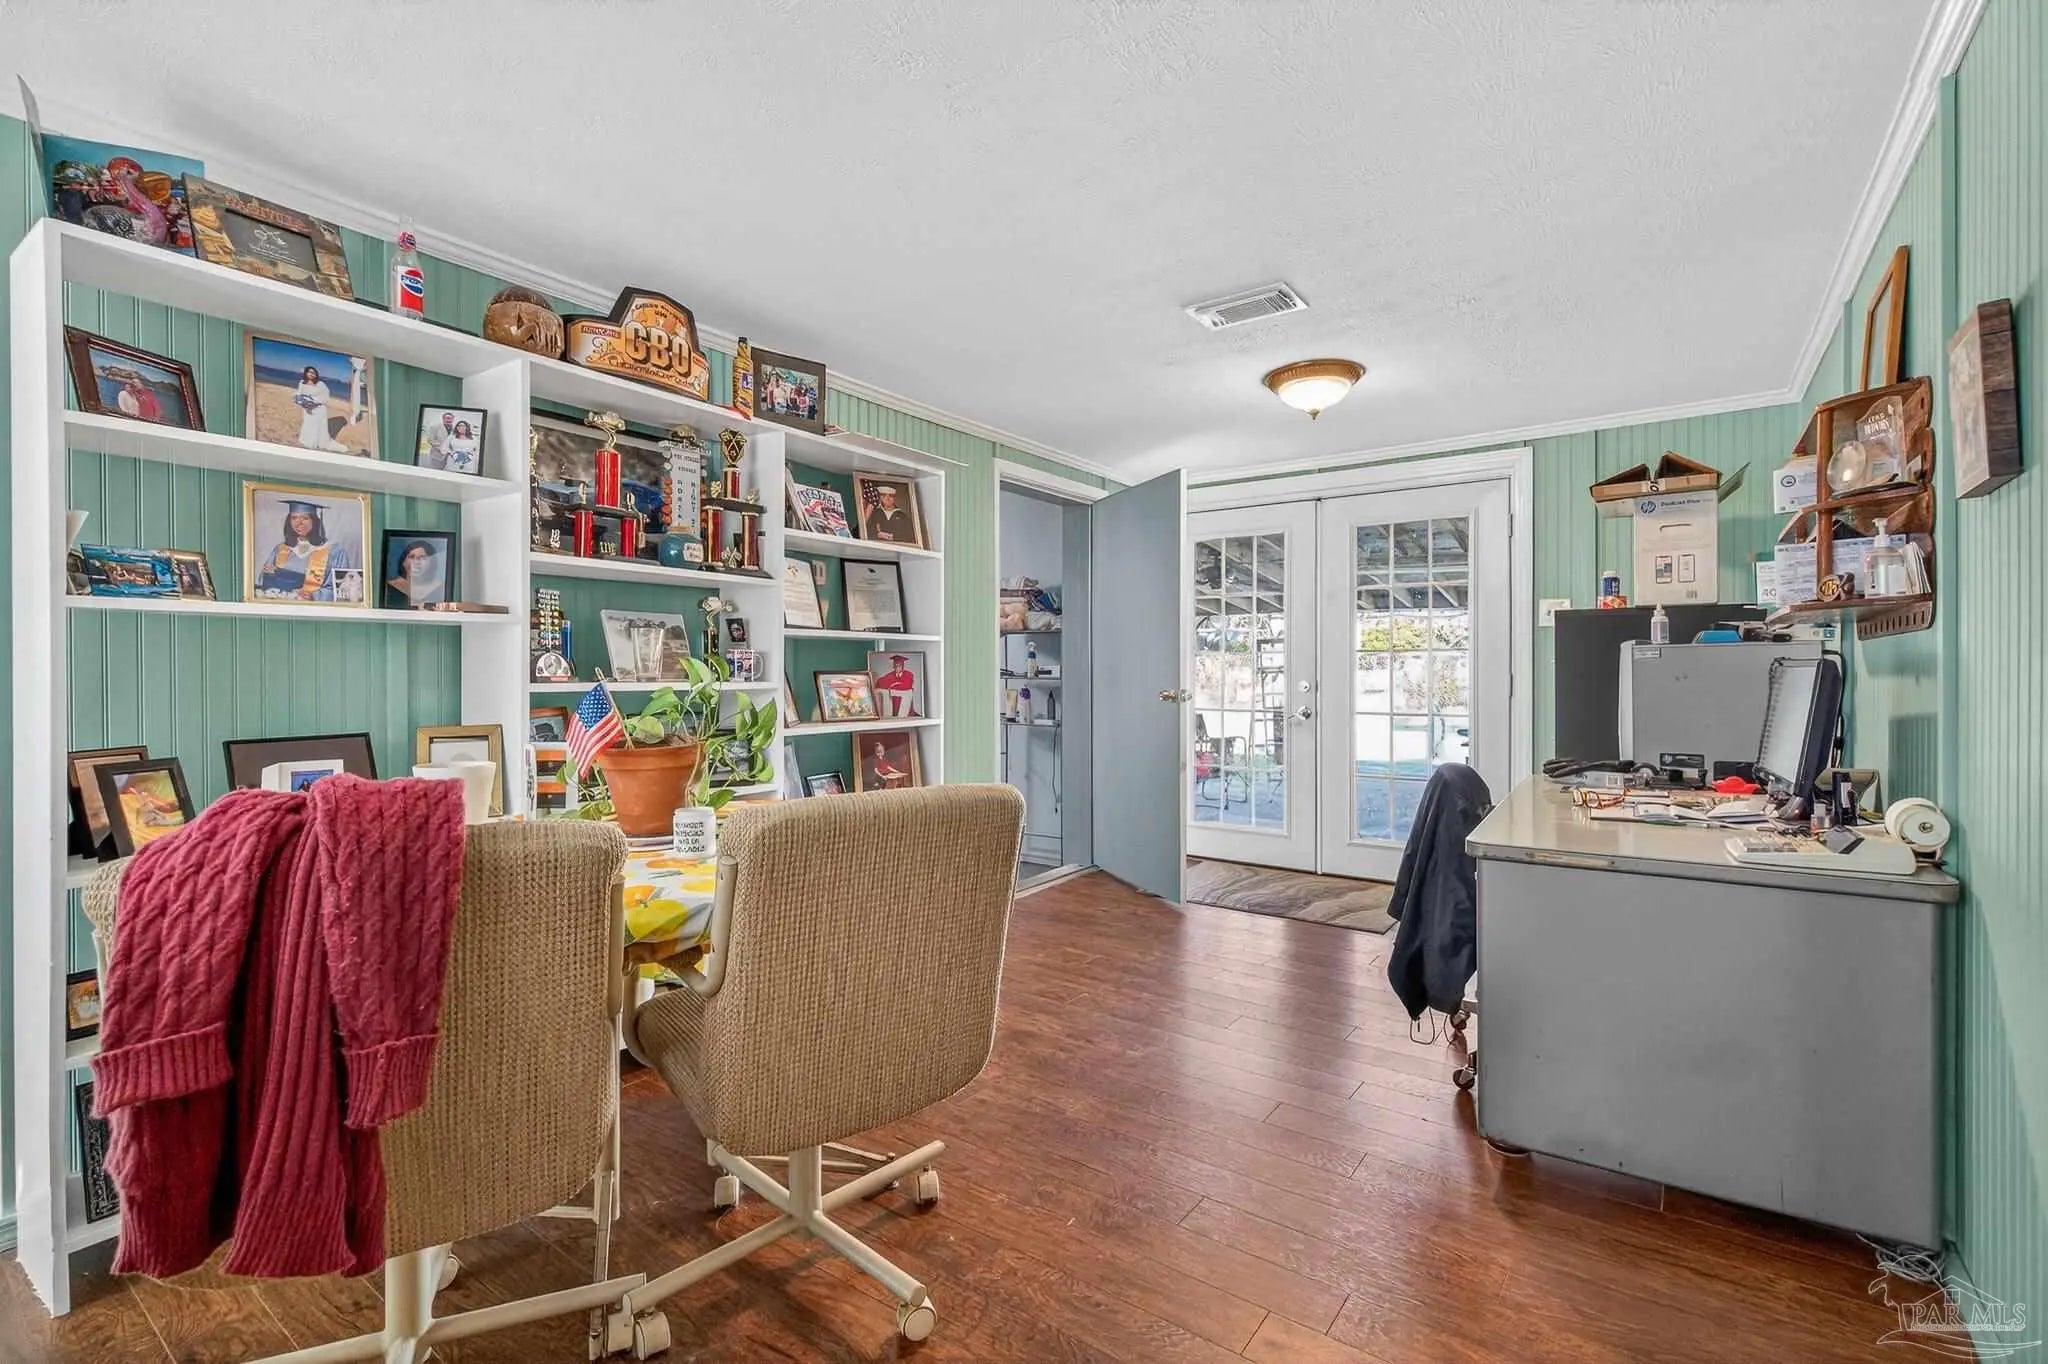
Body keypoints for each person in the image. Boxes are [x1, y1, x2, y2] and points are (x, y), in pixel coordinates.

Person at [255, 499, 354, 601]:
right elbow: (263, 583)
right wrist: (268, 574)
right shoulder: (280, 549)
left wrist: (315, 596)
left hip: (315, 608)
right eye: (294, 518)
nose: (299, 523)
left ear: (314, 521)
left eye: (305, 518)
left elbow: (343, 590)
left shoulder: (334, 551)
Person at [293, 364, 345, 451]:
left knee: (316, 426)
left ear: (316, 374)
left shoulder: (320, 384)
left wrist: (313, 402)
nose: (311, 374)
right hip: (306, 409)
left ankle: (314, 443)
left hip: (318, 409)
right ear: (306, 373)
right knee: (308, 424)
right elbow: (299, 393)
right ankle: (306, 440)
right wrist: (303, 403)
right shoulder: (301, 382)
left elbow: (326, 396)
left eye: (313, 373)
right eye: (309, 372)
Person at [383, 538, 444, 608]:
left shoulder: (440, 589)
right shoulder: (389, 588)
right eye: (411, 557)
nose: (416, 562)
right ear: (403, 562)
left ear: (431, 563)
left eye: (422, 558)